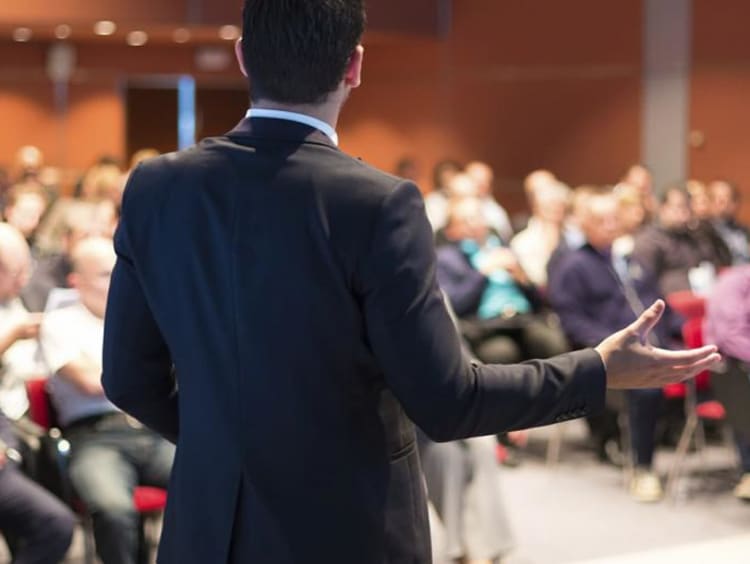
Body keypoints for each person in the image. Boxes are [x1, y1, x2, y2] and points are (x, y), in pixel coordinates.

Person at [101, 2, 720, 563]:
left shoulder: (156, 187)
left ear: (242, 56)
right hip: (346, 528)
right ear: (356, 67)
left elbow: (129, 379)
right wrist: (597, 369)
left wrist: (232, 444)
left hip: (205, 528)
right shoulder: (378, 203)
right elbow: (447, 401)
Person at [39, 238, 174, 564]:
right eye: (104, 274)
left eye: (119, 271)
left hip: (151, 428)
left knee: (214, 483)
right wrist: (143, 370)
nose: (116, 281)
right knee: (113, 509)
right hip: (95, 437)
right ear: (76, 281)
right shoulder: (59, 322)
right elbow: (90, 382)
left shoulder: (142, 317)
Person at [547, 189, 684, 502]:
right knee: (647, 386)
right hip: (608, 356)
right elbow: (572, 322)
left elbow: (659, 303)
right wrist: (612, 345)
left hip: (654, 346)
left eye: (614, 218)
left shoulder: (629, 259)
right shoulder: (574, 266)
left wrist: (680, 330)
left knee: (722, 364)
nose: (610, 224)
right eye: (601, 219)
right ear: (584, 224)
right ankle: (644, 468)